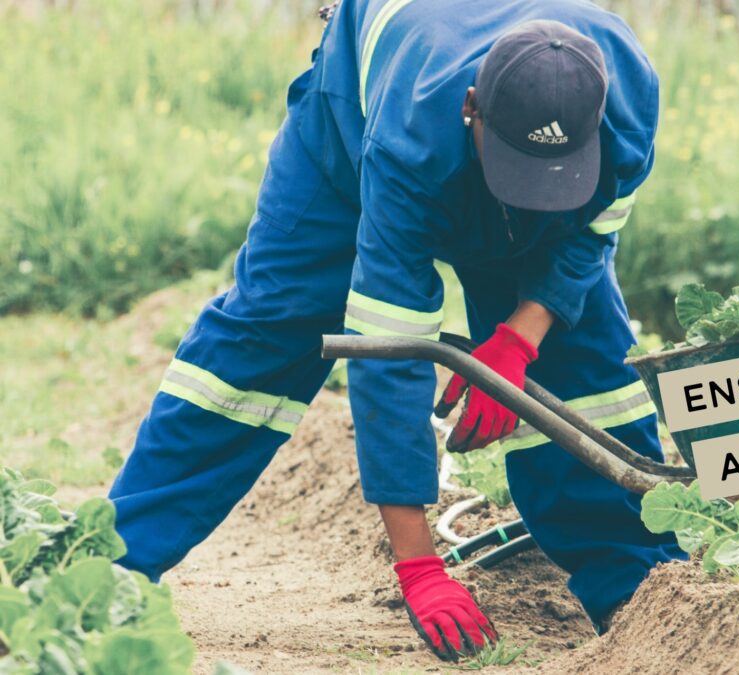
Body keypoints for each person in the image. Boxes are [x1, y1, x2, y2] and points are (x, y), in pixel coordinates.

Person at [108, 0, 683, 662]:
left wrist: (520, 339)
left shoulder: (626, 102)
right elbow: (391, 352)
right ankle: (114, 558)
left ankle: (640, 587)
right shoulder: (413, 136)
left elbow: (592, 233)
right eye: (519, 175)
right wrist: (418, 565)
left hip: (496, 111)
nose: (529, 199)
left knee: (580, 357)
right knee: (269, 329)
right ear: (472, 108)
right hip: (357, 121)